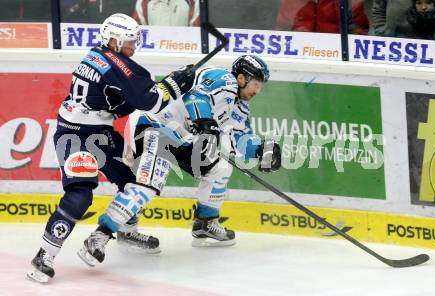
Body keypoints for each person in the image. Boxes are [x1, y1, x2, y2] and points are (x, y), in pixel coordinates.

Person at [27, 13, 195, 284]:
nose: (133, 46)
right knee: (80, 196)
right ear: (114, 41)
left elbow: (125, 97)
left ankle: (127, 231)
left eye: (134, 41)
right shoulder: (116, 63)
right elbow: (150, 101)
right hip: (75, 136)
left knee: (131, 182)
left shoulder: (99, 55)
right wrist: (174, 85)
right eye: (129, 41)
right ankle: (43, 256)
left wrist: (167, 85)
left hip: (97, 133)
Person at [77, 54, 282, 266]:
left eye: (261, 86)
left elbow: (238, 138)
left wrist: (260, 151)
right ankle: (98, 237)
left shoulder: (240, 107)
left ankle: (205, 223)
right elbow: (195, 97)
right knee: (149, 184)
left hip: (179, 138)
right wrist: (205, 122)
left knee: (219, 168)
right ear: (241, 78)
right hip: (153, 125)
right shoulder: (223, 79)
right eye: (256, 84)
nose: (257, 91)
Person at [275, 0, 369, 34]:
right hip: (299, 58)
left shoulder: (348, 2)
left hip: (336, 58)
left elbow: (359, 31)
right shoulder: (291, 2)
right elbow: (281, 32)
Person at [132, 0, 200, 26]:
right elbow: (137, 29)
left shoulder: (194, 2)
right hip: (153, 51)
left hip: (184, 50)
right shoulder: (144, 1)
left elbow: (197, 31)